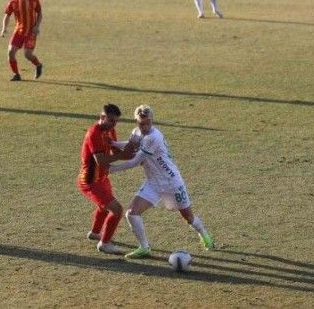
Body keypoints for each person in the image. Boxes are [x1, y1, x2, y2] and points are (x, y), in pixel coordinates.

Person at [109, 105, 214, 259]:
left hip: (171, 182)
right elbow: (131, 145)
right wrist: (114, 144)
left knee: (188, 218)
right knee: (132, 213)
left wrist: (112, 169)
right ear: (136, 122)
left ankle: (205, 235)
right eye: (141, 123)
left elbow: (135, 161)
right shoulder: (136, 132)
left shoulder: (154, 137)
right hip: (153, 182)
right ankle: (144, 248)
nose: (144, 127)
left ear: (152, 120)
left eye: (147, 123)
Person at [77, 104, 137, 255]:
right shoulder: (94, 134)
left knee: (104, 207)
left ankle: (95, 233)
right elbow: (103, 161)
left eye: (115, 121)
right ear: (102, 117)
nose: (113, 124)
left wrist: (132, 152)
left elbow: (115, 152)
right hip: (90, 181)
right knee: (116, 210)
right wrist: (124, 155)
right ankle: (104, 244)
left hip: (102, 178)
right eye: (110, 120)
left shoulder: (110, 131)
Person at [0, 0, 44, 81]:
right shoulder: (13, 3)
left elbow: (40, 14)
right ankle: (16, 74)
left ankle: (38, 65)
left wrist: (37, 26)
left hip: (31, 32)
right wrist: (4, 29)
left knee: (27, 54)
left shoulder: (34, 1)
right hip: (18, 31)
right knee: (11, 52)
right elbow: (7, 16)